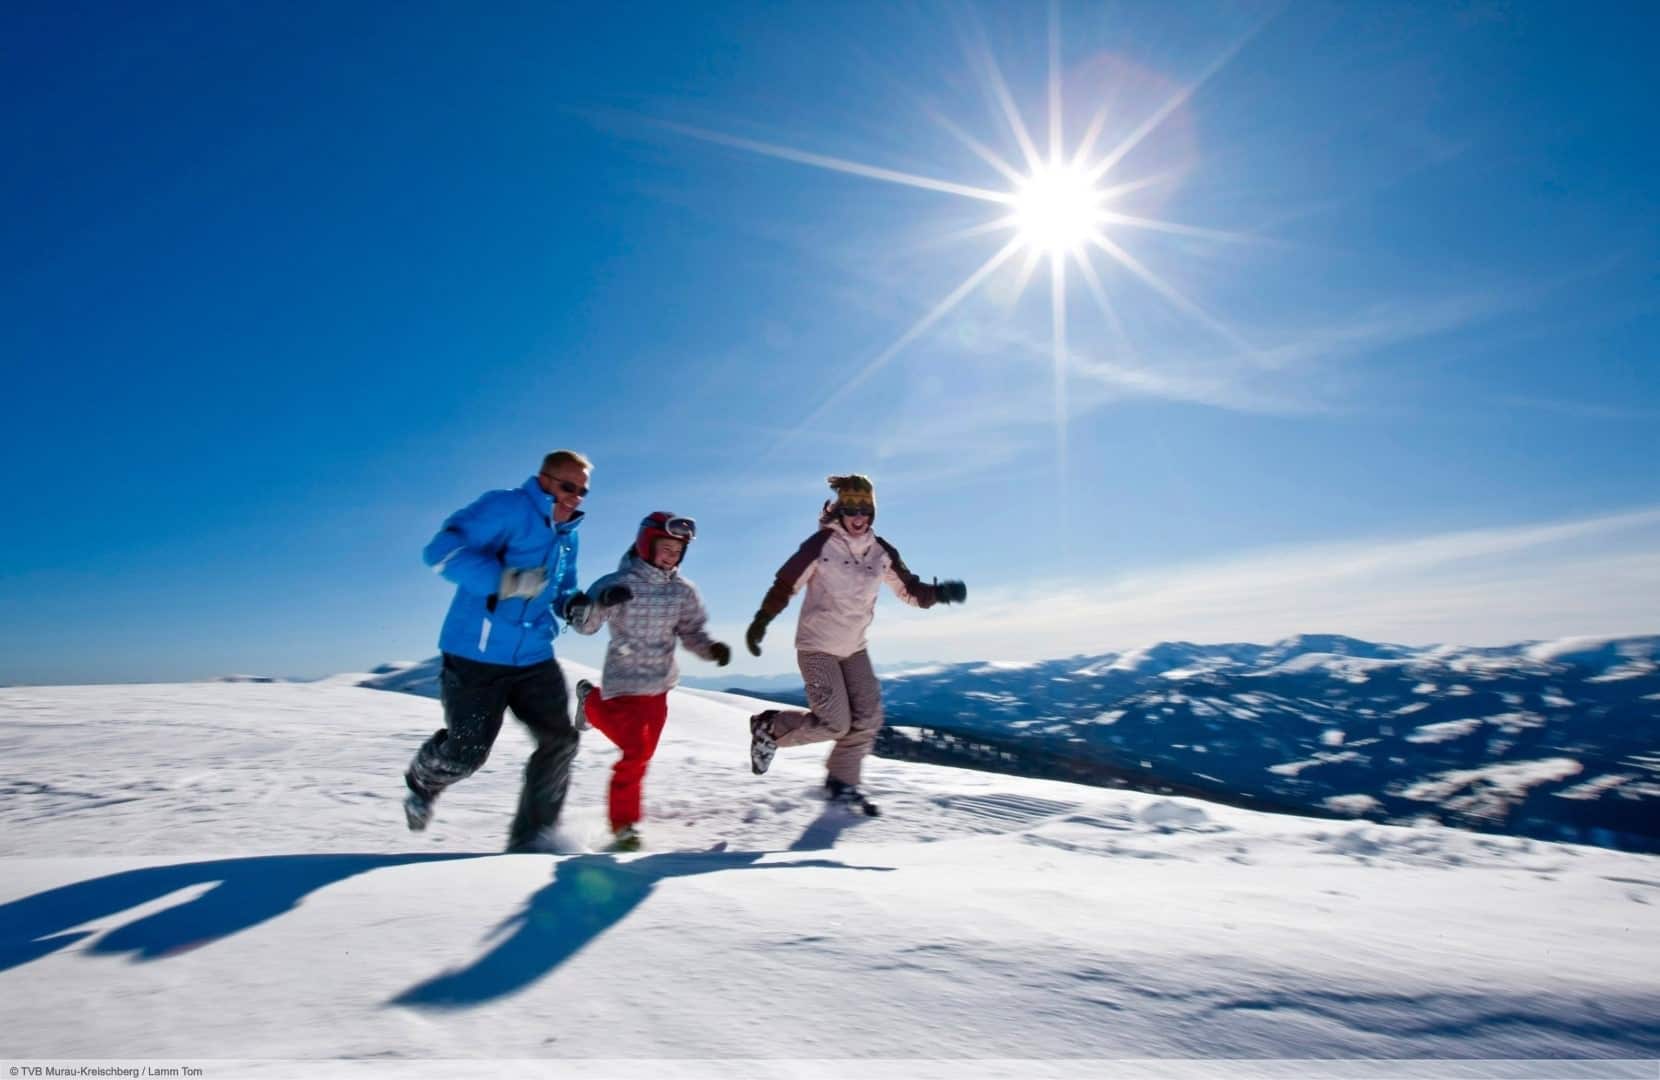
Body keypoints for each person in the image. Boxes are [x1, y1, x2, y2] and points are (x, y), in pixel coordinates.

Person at [402, 449, 601, 853]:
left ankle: (532, 842)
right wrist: (505, 581)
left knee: (560, 741)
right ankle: (425, 779)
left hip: (533, 655)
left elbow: (563, 589)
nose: (574, 498)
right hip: (476, 655)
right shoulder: (506, 507)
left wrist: (574, 606)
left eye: (582, 491)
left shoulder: (569, 534)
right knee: (467, 752)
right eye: (567, 487)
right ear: (544, 480)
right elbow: (440, 552)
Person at [743, 474, 966, 816]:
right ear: (840, 510)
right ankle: (770, 728)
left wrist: (940, 594)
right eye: (851, 509)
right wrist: (762, 620)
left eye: (865, 509)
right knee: (835, 723)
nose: (858, 516)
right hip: (817, 646)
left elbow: (909, 589)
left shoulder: (881, 551)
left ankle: (841, 785)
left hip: (854, 647)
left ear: (872, 513)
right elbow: (786, 583)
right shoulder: (821, 545)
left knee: (868, 717)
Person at [569, 512, 732, 851]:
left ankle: (590, 703)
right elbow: (584, 627)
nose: (672, 555)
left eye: (678, 550)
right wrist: (600, 603)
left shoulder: (683, 591)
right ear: (647, 544)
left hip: (658, 685)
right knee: (635, 753)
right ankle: (624, 826)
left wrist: (710, 648)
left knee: (642, 755)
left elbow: (691, 631)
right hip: (623, 682)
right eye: (666, 547)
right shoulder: (616, 582)